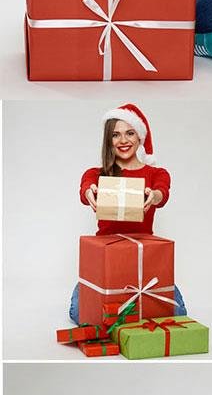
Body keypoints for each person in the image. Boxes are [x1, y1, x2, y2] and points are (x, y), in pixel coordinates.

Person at [68, 104, 186, 325]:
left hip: (143, 259)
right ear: (108, 141)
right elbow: (86, 188)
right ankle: (123, 318)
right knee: (78, 313)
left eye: (130, 133)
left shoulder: (155, 173)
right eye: (115, 135)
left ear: (140, 137)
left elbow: (163, 191)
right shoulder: (97, 174)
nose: (123, 140)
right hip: (105, 259)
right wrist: (89, 191)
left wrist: (155, 195)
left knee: (178, 314)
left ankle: (127, 318)